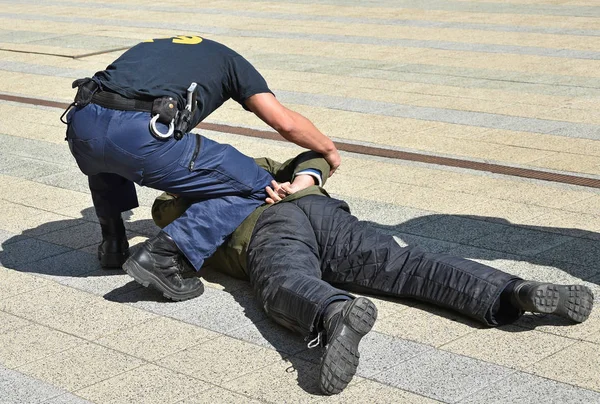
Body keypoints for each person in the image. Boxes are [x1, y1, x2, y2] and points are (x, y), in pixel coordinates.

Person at [151, 153, 595, 396]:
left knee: (282, 280)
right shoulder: (253, 163)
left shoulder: (181, 201)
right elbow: (316, 157)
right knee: (409, 265)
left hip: (270, 230)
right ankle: (515, 290)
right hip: (322, 212)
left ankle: (333, 312)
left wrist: (298, 179)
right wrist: (304, 179)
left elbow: (170, 220)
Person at [61, 35, 341, 302]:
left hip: (81, 122)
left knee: (105, 148)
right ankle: (165, 255)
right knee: (257, 184)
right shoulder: (231, 61)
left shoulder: (153, 47)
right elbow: (285, 123)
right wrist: (327, 149)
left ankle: (112, 244)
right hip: (141, 136)